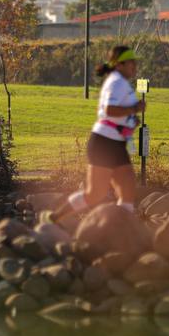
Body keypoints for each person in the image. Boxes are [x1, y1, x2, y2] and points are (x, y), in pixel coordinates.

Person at [46, 45, 145, 225]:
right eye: (131, 62)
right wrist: (134, 108)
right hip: (104, 143)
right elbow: (109, 110)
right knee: (95, 193)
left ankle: (122, 228)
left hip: (116, 143)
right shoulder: (116, 82)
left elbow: (118, 113)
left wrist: (131, 119)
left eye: (135, 63)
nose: (135, 66)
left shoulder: (122, 83)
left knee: (128, 186)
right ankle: (56, 217)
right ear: (120, 65)